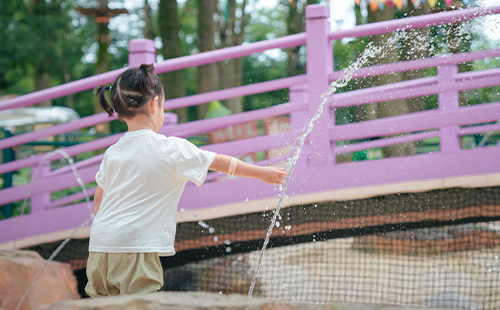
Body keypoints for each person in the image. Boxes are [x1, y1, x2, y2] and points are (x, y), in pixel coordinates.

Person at [85, 64, 287, 297]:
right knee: (140, 302)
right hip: (135, 247)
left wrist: (108, 233)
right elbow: (218, 162)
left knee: (102, 303)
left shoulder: (113, 152)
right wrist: (262, 173)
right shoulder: (171, 148)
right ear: (154, 104)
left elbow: (99, 199)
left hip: (100, 246)